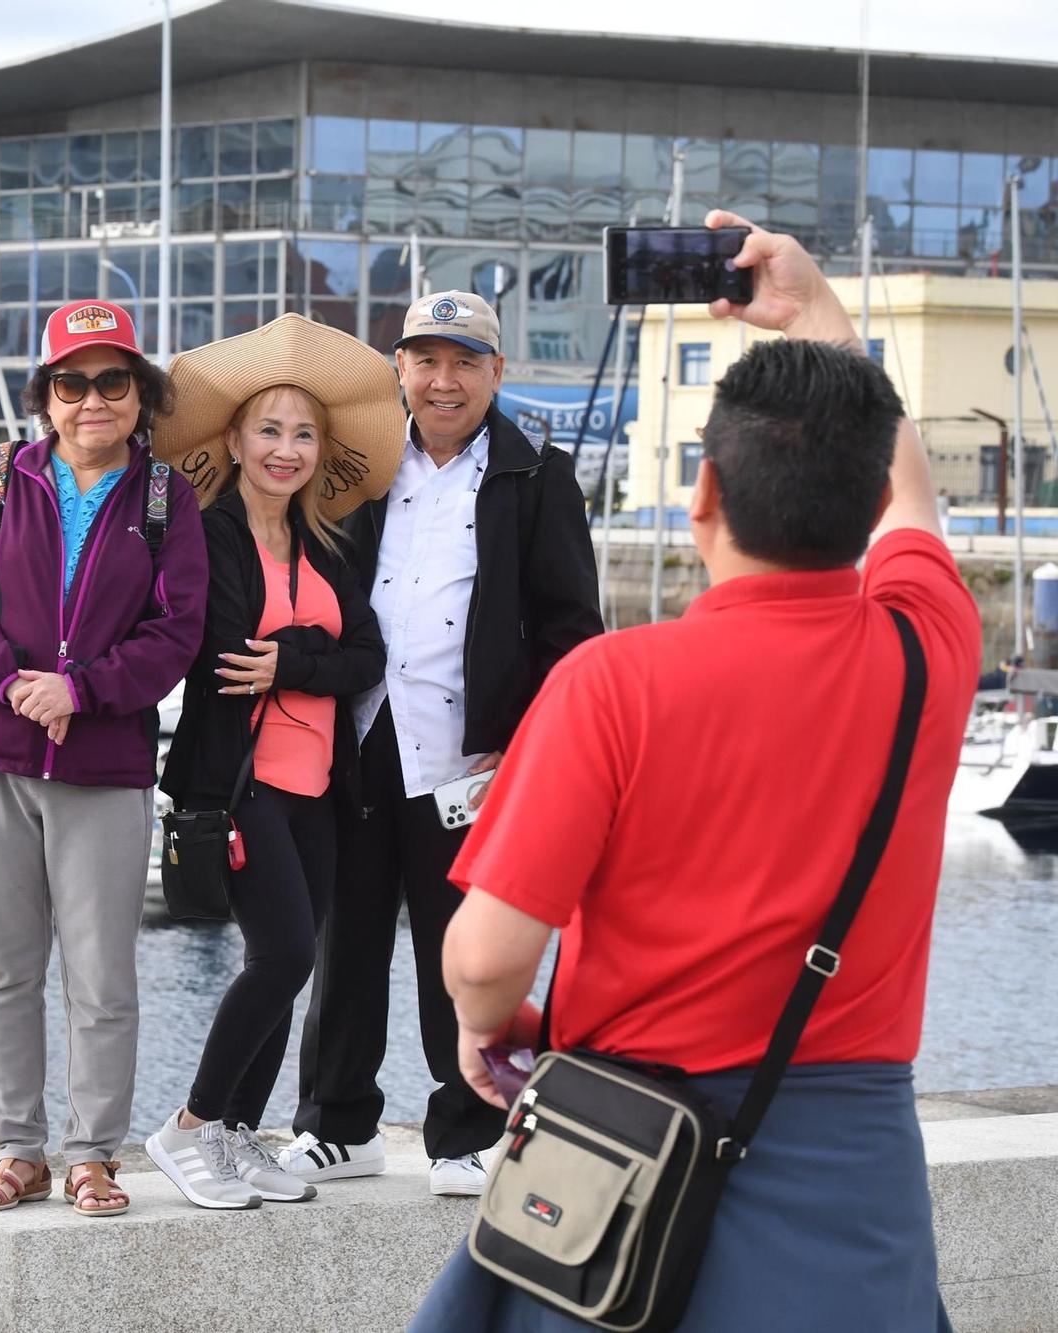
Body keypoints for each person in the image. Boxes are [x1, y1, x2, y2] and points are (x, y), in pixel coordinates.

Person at [409, 213, 977, 1331]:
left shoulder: (612, 683)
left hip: (620, 1163)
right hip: (851, 1168)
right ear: (862, 515)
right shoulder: (928, 649)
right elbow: (905, 491)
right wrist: (817, 311)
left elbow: (483, 954)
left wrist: (487, 1024)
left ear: (700, 499)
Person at [282, 290, 602, 1197]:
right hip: (364, 733)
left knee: (459, 948)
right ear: (401, 372)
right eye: (426, 359)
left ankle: (468, 1127)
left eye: (464, 361)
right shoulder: (365, 469)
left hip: (474, 757)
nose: (444, 379)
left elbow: (573, 630)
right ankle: (337, 1122)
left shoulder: (537, 474)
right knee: (343, 942)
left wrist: (535, 750)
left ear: (497, 373)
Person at [0, 299, 206, 1218]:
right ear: (46, 395)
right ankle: (19, 1151)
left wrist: (79, 688)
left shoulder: (168, 499)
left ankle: (92, 1153)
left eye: (112, 380)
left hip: (104, 762)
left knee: (101, 972)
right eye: (72, 382)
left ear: (140, 394)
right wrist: (14, 682)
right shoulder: (1, 478)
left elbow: (178, 634)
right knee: (5, 965)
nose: (93, 399)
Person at [148, 315, 391, 1209]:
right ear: (236, 441)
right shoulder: (209, 535)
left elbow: (368, 656)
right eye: (269, 430)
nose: (286, 449)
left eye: (303, 433)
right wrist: (307, 654)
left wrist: (290, 660)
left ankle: (239, 1134)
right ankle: (187, 1125)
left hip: (318, 789)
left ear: (320, 449)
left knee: (291, 962)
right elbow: (221, 652)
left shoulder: (329, 540)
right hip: (238, 786)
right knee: (284, 955)